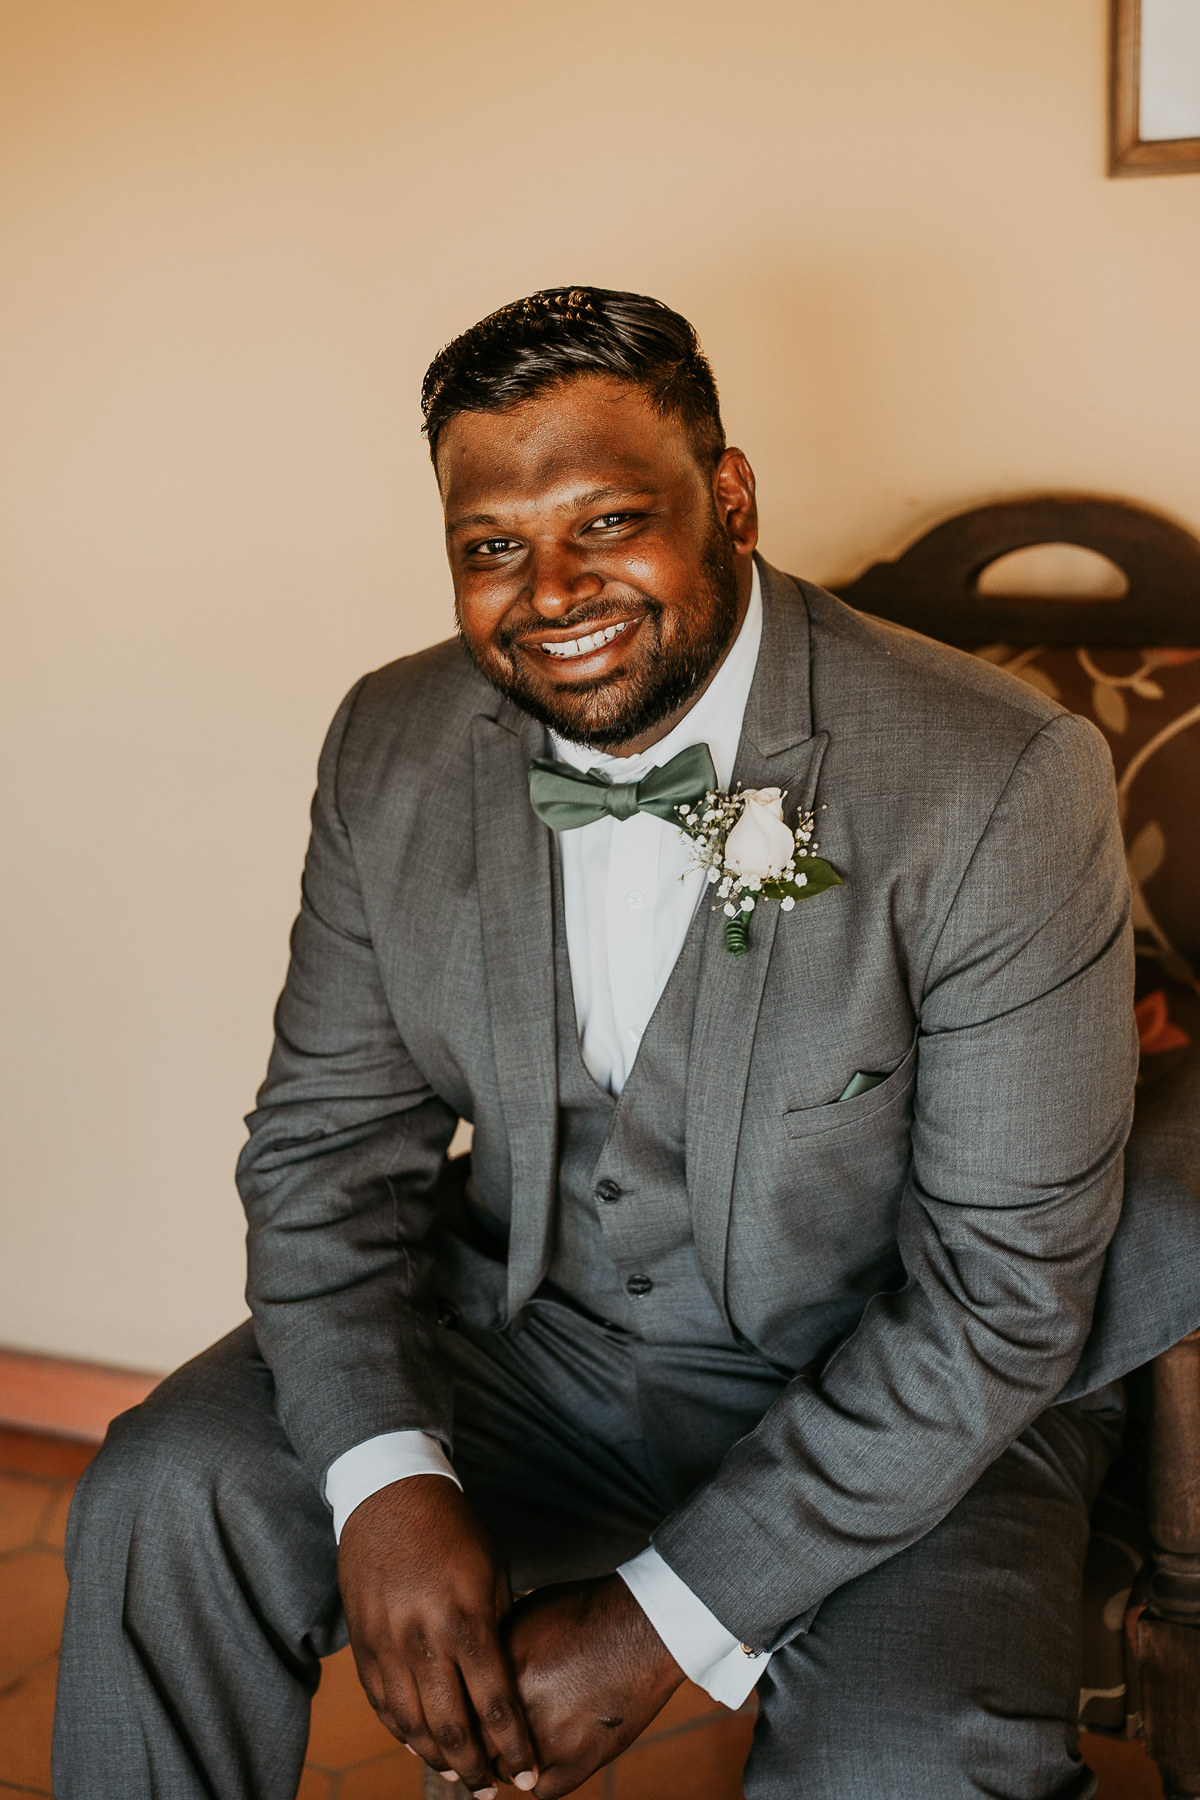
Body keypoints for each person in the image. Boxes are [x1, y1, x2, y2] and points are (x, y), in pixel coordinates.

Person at [55, 287, 1144, 1800]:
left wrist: (662, 1629)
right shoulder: (392, 741)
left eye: (607, 520)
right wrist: (383, 1477)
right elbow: (324, 1155)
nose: (550, 588)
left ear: (733, 499)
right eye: (491, 545)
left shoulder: (999, 777)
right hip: (531, 1341)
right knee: (165, 1492)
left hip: (902, 1385)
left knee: (915, 1760)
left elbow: (1002, 1298)